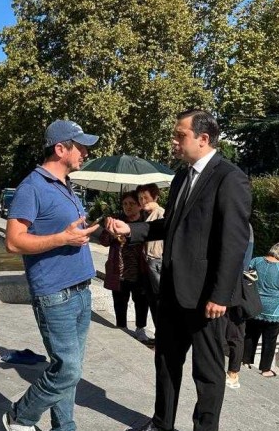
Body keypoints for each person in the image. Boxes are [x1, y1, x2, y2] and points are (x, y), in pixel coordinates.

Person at [107, 109, 251, 431]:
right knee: (165, 362)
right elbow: (171, 226)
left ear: (203, 138)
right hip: (172, 291)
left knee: (208, 373)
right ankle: (161, 423)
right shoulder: (183, 176)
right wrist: (132, 231)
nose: (173, 141)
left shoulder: (230, 178)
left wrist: (220, 294)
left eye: (179, 135)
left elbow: (234, 241)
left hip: (207, 299)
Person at [3, 119, 100, 431]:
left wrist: (95, 234)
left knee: (69, 370)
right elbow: (13, 241)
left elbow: (68, 231)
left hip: (81, 289)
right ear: (61, 149)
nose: (85, 152)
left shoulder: (66, 186)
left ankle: (64, 427)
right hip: (55, 293)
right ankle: (20, 417)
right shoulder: (31, 187)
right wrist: (63, 238)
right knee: (68, 370)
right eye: (80, 146)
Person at [99, 191, 152, 342]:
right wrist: (109, 232)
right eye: (125, 204)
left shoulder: (146, 222)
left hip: (140, 269)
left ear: (140, 206)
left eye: (132, 204)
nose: (128, 207)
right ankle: (121, 326)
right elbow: (103, 241)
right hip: (120, 269)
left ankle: (140, 328)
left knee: (141, 301)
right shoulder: (116, 221)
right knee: (120, 300)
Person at [241, 242, 279, 378]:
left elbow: (246, 279)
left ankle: (245, 361)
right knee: (270, 339)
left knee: (250, 334)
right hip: (274, 310)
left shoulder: (256, 261)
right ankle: (265, 369)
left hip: (254, 305)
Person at [224, 224, 254, 389]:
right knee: (231, 332)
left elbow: (241, 261)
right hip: (232, 286)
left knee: (235, 332)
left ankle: (233, 373)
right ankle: (231, 372)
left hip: (235, 287)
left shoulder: (242, 226)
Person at [136, 183, 165, 342]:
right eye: (140, 198)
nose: (143, 201)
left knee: (159, 301)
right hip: (145, 265)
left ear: (155, 198)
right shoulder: (144, 215)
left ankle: (163, 336)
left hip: (156, 262)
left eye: (146, 197)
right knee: (152, 301)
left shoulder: (160, 213)